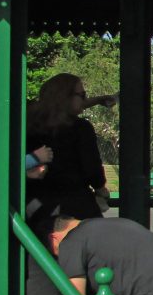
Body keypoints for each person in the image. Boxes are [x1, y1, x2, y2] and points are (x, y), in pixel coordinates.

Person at [27, 73, 115, 219]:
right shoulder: (81, 128)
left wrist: (98, 100)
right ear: (65, 97)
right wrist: (100, 188)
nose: (85, 99)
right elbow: (92, 168)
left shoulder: (29, 125)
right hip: (74, 204)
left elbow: (63, 105)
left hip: (35, 205)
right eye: (83, 95)